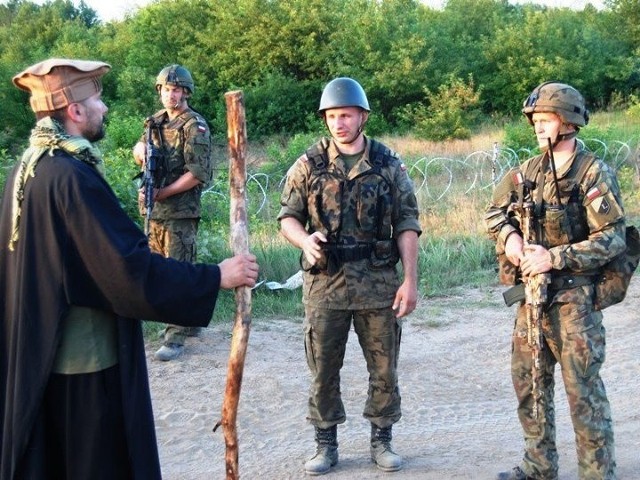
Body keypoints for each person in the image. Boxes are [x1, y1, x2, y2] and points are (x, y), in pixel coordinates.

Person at [0, 58, 259, 480]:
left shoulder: (28, 167)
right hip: (81, 367)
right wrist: (216, 276)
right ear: (75, 111)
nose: (104, 107)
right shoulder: (69, 176)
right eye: (96, 98)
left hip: (40, 351)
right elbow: (127, 271)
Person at [278, 77, 421, 475]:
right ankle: (325, 444)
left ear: (362, 117)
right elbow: (287, 217)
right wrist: (304, 240)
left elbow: (408, 222)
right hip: (326, 283)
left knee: (384, 367)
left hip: (378, 284)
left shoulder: (388, 164)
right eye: (331, 116)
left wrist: (410, 280)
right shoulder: (309, 164)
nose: (338, 123)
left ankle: (382, 439)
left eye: (346, 115)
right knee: (323, 368)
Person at [485, 82, 626, 480]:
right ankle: (538, 467)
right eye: (535, 120)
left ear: (567, 124)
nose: (537, 127)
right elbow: (495, 214)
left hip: (574, 302)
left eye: (544, 120)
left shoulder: (592, 173)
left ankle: (597, 474)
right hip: (530, 300)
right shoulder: (526, 172)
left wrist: (554, 257)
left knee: (583, 392)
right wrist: (511, 240)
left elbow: (613, 237)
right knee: (530, 386)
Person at [132, 64, 213, 362]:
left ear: (186, 92)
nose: (171, 95)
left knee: (178, 270)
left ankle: (175, 336)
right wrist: (139, 150)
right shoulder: (153, 122)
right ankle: (189, 320)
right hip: (155, 210)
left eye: (176, 89)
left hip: (180, 210)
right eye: (166, 89)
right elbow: (142, 150)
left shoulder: (195, 126)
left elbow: (197, 173)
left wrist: (163, 193)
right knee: (160, 268)